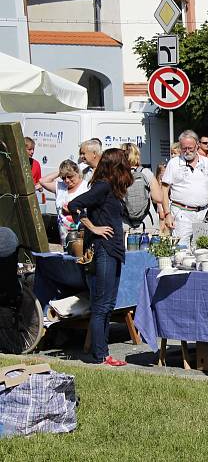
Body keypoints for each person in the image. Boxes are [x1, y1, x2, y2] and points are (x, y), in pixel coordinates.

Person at [67, 148, 133, 366]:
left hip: (114, 249)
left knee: (108, 304)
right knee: (101, 304)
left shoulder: (111, 188)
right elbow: (74, 205)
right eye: (123, 162)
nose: (127, 165)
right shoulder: (103, 186)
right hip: (103, 249)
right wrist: (92, 228)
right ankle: (100, 355)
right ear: (115, 164)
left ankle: (103, 352)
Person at [161, 130, 208, 245]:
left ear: (197, 145)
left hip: (203, 214)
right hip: (181, 215)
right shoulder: (174, 163)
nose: (187, 151)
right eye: (184, 148)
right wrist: (167, 214)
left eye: (190, 148)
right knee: (180, 252)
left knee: (203, 250)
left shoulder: (206, 162)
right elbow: (164, 190)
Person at [39, 160, 89, 243]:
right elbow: (42, 181)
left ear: (77, 173)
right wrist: (61, 172)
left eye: (70, 176)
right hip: (64, 236)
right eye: (63, 177)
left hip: (81, 234)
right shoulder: (60, 186)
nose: (67, 180)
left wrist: (72, 211)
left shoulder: (86, 187)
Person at [120, 143, 162, 230]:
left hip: (125, 224)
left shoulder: (118, 175)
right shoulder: (146, 172)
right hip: (147, 222)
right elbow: (158, 198)